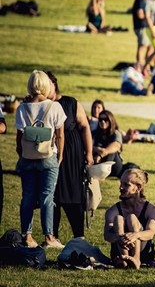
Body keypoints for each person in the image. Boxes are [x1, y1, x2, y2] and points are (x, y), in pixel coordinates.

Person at [14, 70, 67, 249]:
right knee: (47, 198)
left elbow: (19, 137)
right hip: (48, 157)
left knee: (27, 197)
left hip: (28, 158)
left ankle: (27, 236)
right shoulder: (55, 107)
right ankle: (49, 236)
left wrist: (22, 155)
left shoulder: (22, 108)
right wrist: (59, 157)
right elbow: (60, 136)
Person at [45, 72, 93, 241]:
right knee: (53, 195)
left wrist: (89, 152)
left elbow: (84, 126)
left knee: (74, 194)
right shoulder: (42, 105)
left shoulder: (71, 103)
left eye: (46, 84)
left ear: (53, 84)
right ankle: (52, 235)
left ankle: (79, 235)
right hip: (50, 155)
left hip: (72, 157)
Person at [104, 168, 155, 269]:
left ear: (138, 188)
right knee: (119, 219)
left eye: (126, 185)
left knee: (132, 218)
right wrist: (122, 238)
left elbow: (151, 232)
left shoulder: (151, 209)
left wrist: (135, 235)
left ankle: (136, 259)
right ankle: (125, 259)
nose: (121, 187)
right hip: (119, 253)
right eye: (121, 183)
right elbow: (107, 235)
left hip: (144, 254)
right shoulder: (113, 210)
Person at [91, 110, 124, 178]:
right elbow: (89, 146)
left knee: (111, 152)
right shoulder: (95, 133)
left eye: (106, 119)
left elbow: (116, 145)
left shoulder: (115, 133)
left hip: (114, 166)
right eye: (101, 119)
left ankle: (104, 172)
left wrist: (101, 154)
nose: (103, 122)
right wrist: (97, 149)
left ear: (110, 120)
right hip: (98, 163)